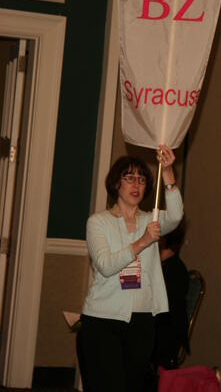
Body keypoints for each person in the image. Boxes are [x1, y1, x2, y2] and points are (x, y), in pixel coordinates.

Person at [77, 145, 183, 392]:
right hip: (102, 321)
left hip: (142, 321)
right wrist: (144, 241)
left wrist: (167, 174)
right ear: (116, 184)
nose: (136, 184)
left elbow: (177, 216)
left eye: (142, 179)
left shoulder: (151, 219)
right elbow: (105, 265)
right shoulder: (98, 222)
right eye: (129, 178)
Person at [153, 220, 189, 370]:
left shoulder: (175, 271)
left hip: (163, 336)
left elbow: (163, 314)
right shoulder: (158, 266)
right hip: (154, 329)